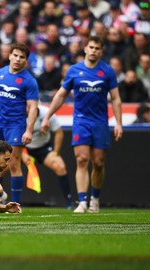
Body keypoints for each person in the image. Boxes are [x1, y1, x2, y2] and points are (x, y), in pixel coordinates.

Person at [41, 36, 123, 213]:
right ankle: (83, 201)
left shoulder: (107, 71)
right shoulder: (74, 70)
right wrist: (47, 115)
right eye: (91, 47)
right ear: (85, 49)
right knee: (82, 159)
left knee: (99, 162)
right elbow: (61, 95)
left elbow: (115, 99)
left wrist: (119, 123)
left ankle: (95, 198)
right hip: (81, 121)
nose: (93, 51)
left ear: (101, 51)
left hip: (100, 122)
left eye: (97, 48)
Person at [0, 43, 39, 205]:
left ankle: (16, 203)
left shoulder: (29, 81)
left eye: (22, 57)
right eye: (15, 55)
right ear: (9, 55)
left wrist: (29, 130)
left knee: (14, 163)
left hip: (15, 126)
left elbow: (32, 108)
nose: (18, 59)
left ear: (26, 60)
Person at [22, 105, 73, 209]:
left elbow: (58, 132)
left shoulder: (46, 113)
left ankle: (69, 201)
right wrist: (22, 153)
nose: (28, 109)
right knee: (4, 166)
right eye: (26, 106)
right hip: (23, 147)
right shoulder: (18, 115)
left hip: (43, 147)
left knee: (60, 166)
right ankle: (0, 197)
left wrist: (56, 152)